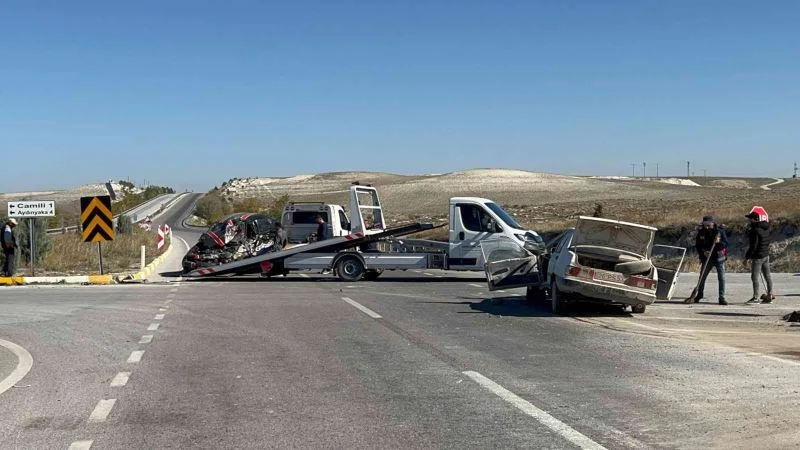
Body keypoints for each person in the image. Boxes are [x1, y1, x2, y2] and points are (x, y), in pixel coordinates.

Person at [686, 215, 728, 305]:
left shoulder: (719, 232)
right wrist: (704, 252)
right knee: (702, 277)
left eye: (708, 225)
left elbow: (726, 244)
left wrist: (719, 242)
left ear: (713, 223)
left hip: (719, 258)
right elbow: (698, 245)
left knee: (721, 278)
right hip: (707, 259)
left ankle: (721, 298)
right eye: (705, 225)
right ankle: (699, 295)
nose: (707, 227)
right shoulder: (701, 232)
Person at [744, 206, 774, 304]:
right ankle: (770, 294)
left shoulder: (755, 230)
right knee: (767, 276)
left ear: (754, 220)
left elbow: (753, 246)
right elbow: (767, 241)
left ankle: (756, 297)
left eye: (750, 219)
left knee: (754, 277)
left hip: (758, 257)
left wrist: (747, 257)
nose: (749, 221)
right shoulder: (766, 228)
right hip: (766, 254)